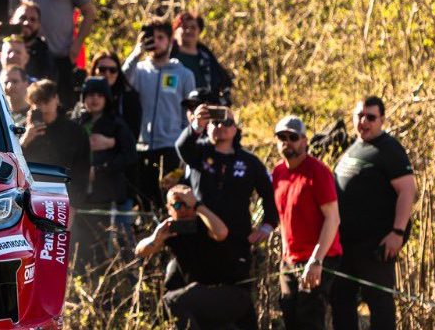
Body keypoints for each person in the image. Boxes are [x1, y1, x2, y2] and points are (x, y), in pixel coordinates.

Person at [330, 96, 418, 330]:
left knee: (379, 305)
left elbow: (407, 190)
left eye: (371, 117)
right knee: (340, 300)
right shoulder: (354, 147)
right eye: (360, 116)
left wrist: (397, 232)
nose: (364, 122)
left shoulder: (389, 149)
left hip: (376, 245)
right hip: (346, 244)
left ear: (382, 120)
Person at [176, 106, 278, 282]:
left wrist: (267, 226)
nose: (220, 126)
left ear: (236, 129)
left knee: (236, 290)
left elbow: (270, 194)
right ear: (207, 127)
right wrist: (196, 125)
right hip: (200, 236)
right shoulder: (198, 153)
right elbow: (182, 146)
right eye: (215, 122)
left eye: (227, 122)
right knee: (198, 288)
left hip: (237, 239)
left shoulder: (249, 161)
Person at [134, 185, 258, 330]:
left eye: (187, 204)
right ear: (169, 208)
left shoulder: (206, 224)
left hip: (231, 294)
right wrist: (155, 239)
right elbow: (140, 251)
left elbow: (221, 233)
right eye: (177, 205)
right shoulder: (171, 231)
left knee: (173, 300)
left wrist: (198, 205)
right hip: (203, 300)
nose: (183, 210)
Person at [270, 115, 342, 330]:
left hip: (319, 258)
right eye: (282, 137)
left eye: (293, 137)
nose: (287, 142)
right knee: (289, 314)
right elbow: (284, 216)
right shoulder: (278, 172)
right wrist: (285, 255)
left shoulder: (318, 172)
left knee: (309, 319)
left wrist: (316, 260)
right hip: (290, 260)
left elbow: (333, 218)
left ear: (304, 141)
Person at [125, 18, 196, 212]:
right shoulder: (139, 70)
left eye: (160, 37)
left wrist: (186, 146)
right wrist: (136, 52)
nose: (155, 42)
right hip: (142, 146)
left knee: (169, 201)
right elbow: (120, 82)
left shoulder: (184, 74)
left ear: (170, 40)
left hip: (171, 146)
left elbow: (190, 113)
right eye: (151, 38)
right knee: (144, 202)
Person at [75, 76, 137, 265]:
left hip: (109, 194)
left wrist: (101, 169)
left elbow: (130, 155)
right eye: (90, 95)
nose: (94, 99)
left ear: (107, 98)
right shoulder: (76, 122)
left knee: (111, 244)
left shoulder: (116, 124)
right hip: (81, 195)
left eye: (99, 95)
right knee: (84, 244)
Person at [170, 11, 234, 103]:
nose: (189, 30)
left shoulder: (207, 57)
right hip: (173, 105)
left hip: (203, 107)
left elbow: (222, 83)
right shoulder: (167, 56)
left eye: (193, 27)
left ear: (199, 31)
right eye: (184, 27)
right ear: (175, 31)